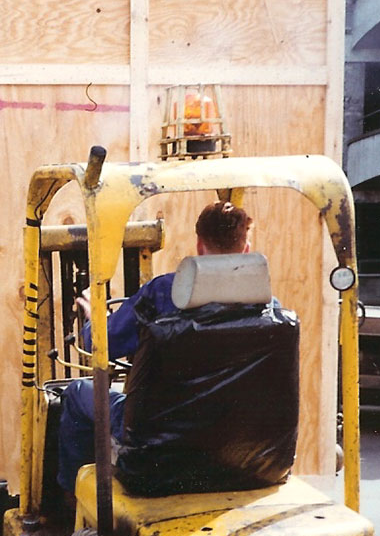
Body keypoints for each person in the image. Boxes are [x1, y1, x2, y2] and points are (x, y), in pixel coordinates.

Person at [57, 201, 253, 495]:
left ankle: (71, 503)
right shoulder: (267, 308)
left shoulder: (164, 294)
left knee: (77, 392)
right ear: (246, 249)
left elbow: (102, 343)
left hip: (163, 438)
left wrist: (95, 320)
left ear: (200, 246)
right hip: (236, 442)